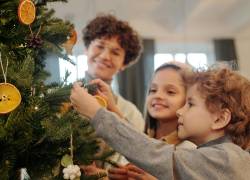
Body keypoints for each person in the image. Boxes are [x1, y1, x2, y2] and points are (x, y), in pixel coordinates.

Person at [70, 68, 250, 179]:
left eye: (191, 104)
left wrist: (96, 113)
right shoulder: (218, 157)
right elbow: (151, 147)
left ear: (219, 119)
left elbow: (154, 154)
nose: (181, 110)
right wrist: (113, 110)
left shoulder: (226, 160)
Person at [80, 14, 145, 175]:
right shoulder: (57, 98)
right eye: (100, 46)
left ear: (124, 63)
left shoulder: (130, 112)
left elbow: (137, 158)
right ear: (86, 48)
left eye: (116, 52)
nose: (105, 56)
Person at [108, 62, 196, 179]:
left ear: (189, 100)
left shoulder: (190, 150)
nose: (157, 95)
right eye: (153, 90)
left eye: (170, 92)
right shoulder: (143, 136)